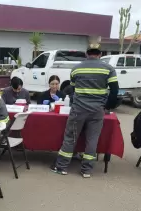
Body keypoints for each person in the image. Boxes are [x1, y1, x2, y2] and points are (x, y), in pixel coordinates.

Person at [51, 42, 119, 178]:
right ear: (100, 54)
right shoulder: (109, 69)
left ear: (87, 54)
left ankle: (62, 167)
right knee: (92, 139)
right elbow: (115, 91)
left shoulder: (76, 69)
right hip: (97, 110)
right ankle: (86, 170)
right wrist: (106, 106)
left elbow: (73, 88)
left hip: (78, 109)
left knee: (70, 137)